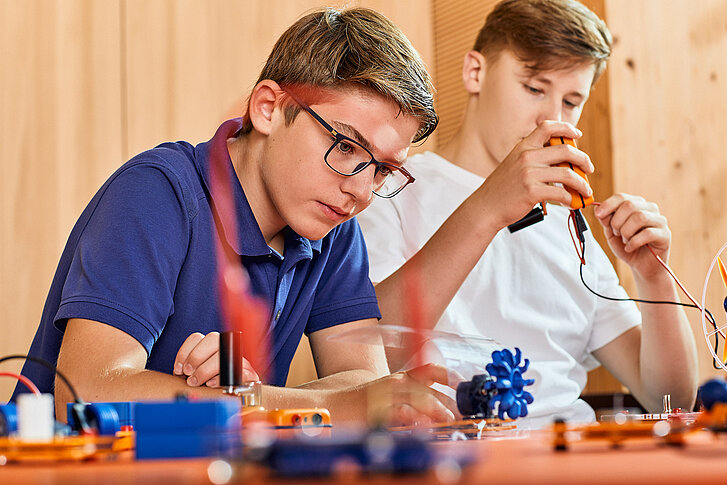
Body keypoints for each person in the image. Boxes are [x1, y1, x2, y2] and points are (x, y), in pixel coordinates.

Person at [13, 7, 456, 426]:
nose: (361, 190)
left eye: (382, 169)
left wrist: (254, 399)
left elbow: (363, 383)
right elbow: (88, 391)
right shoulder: (157, 191)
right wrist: (272, 403)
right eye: (344, 146)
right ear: (268, 108)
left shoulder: (333, 224)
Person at [357, 0, 698, 428]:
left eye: (572, 101)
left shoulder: (568, 225)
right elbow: (364, 360)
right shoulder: (391, 189)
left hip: (575, 451)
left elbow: (671, 397)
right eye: (535, 88)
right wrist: (489, 206)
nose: (551, 117)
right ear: (475, 72)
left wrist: (654, 276)